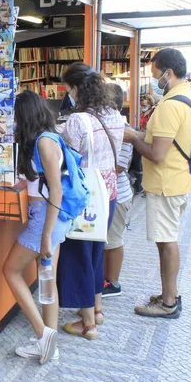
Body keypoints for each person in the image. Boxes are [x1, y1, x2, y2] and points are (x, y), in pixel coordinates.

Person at [123, 48, 191, 318]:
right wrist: (140, 134)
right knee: (167, 241)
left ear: (168, 72)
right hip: (179, 180)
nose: (154, 80)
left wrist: (133, 138)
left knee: (167, 243)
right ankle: (170, 292)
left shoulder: (169, 105)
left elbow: (156, 153)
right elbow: (163, 139)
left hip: (166, 184)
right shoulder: (188, 96)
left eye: (155, 74)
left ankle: (168, 302)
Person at [58, 62, 124, 340]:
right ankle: (96, 309)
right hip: (107, 194)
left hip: (84, 198)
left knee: (78, 255)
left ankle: (87, 324)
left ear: (76, 89)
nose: (68, 94)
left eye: (68, 89)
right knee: (95, 252)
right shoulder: (115, 115)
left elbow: (66, 158)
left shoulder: (77, 121)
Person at [3, 90, 69, 364]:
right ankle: (49, 344)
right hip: (52, 218)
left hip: (46, 217)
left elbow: (56, 192)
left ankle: (43, 335)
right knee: (47, 279)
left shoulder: (43, 143)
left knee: (11, 270)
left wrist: (44, 237)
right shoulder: (49, 137)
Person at [103, 83, 134, 298]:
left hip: (118, 193)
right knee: (107, 239)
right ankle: (107, 278)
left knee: (113, 239)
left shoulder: (123, 129)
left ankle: (113, 282)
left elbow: (120, 166)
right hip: (109, 192)